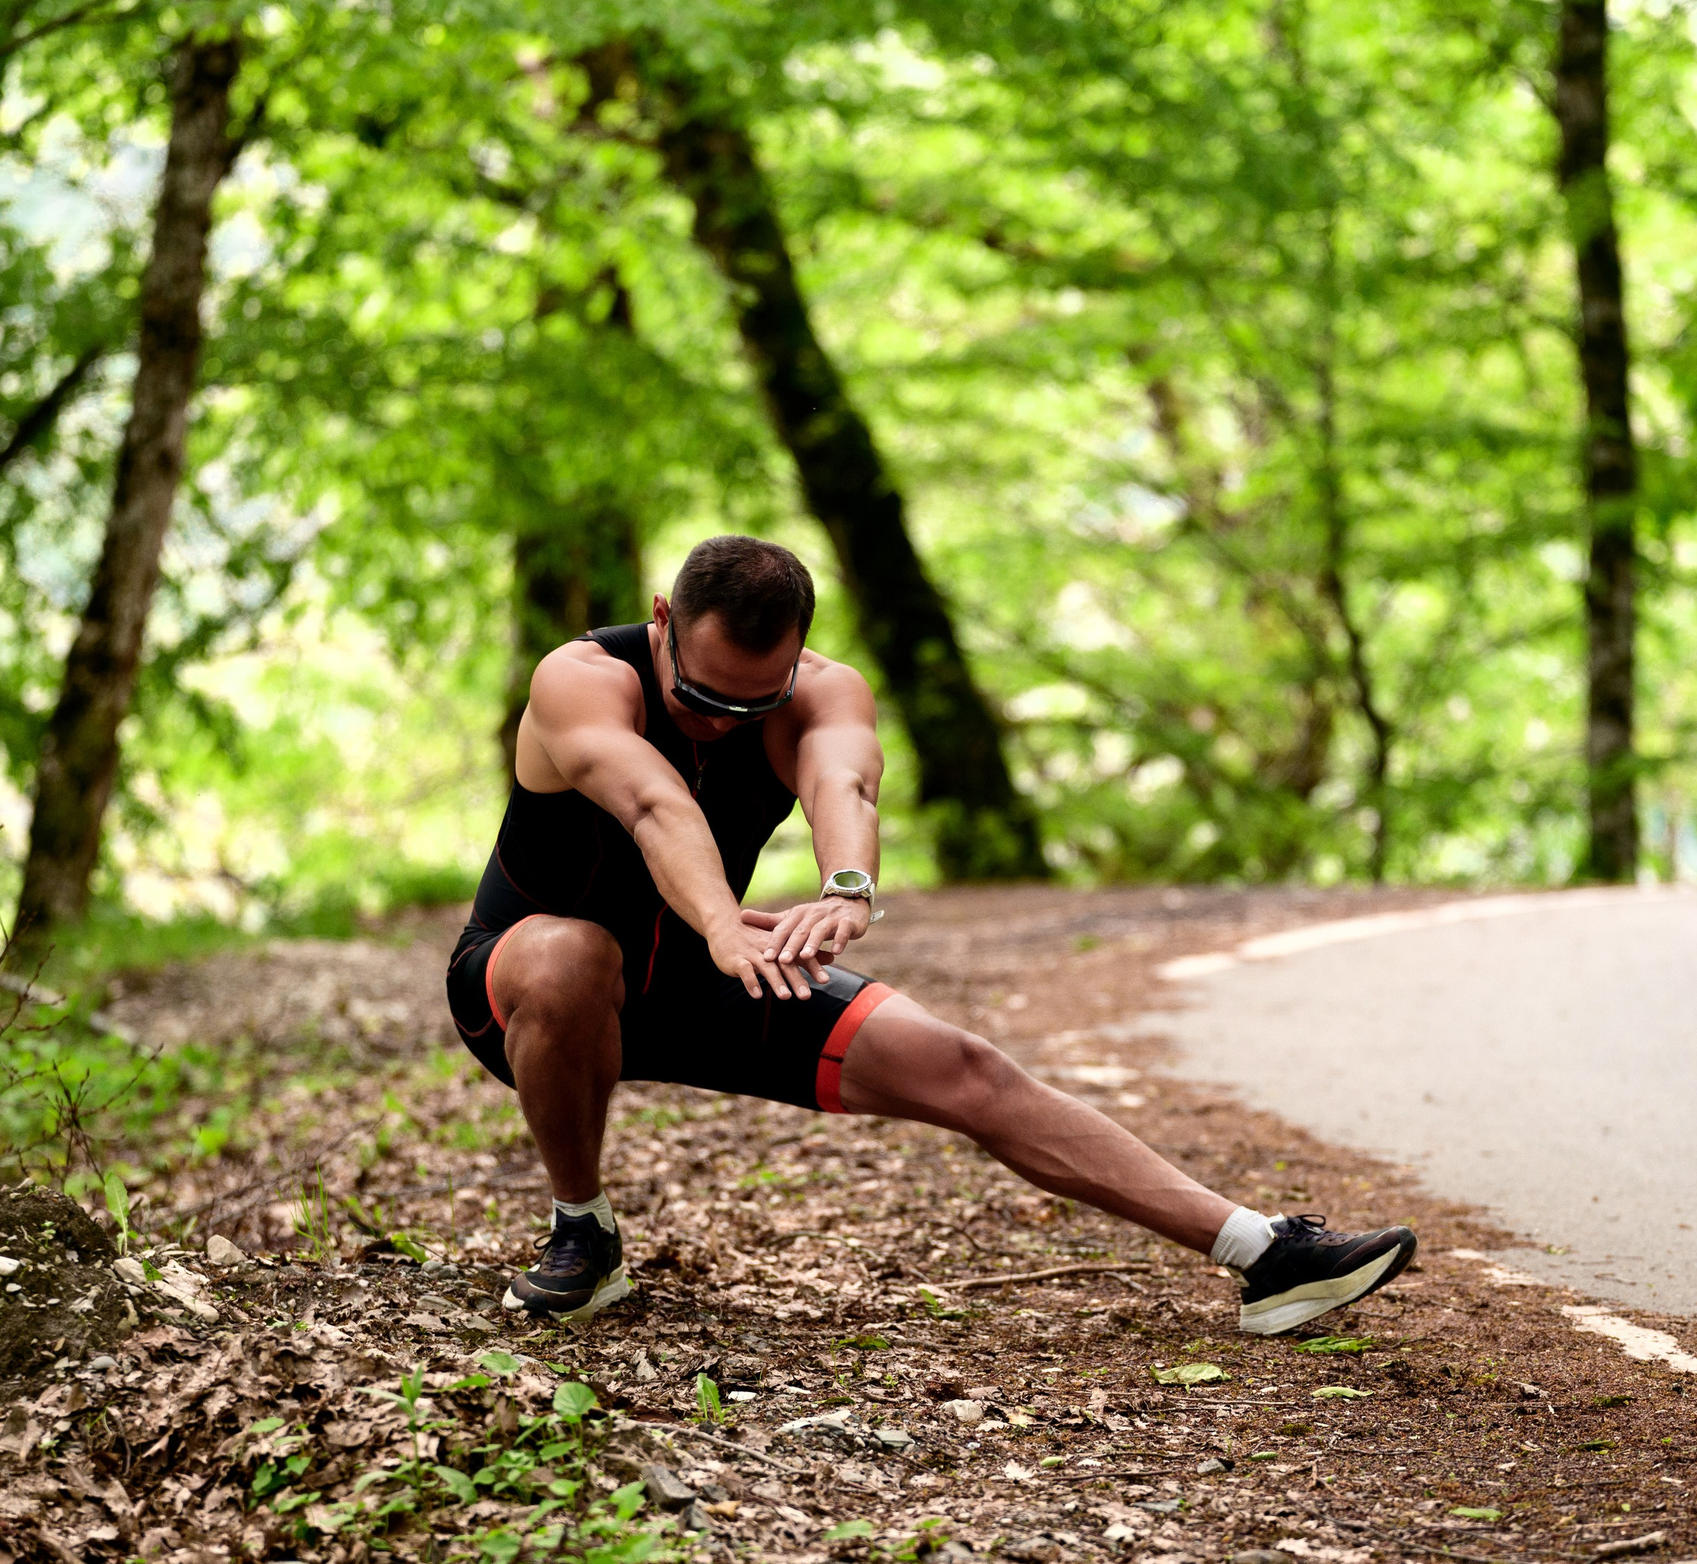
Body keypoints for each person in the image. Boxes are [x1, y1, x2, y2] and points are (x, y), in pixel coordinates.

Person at [447, 535, 1416, 1332]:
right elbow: (654, 803)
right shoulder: (580, 678)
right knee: (575, 949)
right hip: (527, 987)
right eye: (701, 699)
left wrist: (846, 886)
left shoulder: (820, 692)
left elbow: (842, 780)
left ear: (797, 659)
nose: (720, 723)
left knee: (964, 1066)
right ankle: (583, 1228)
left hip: (705, 967)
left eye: (753, 702)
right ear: (660, 620)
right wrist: (716, 925)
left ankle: (1264, 1253)